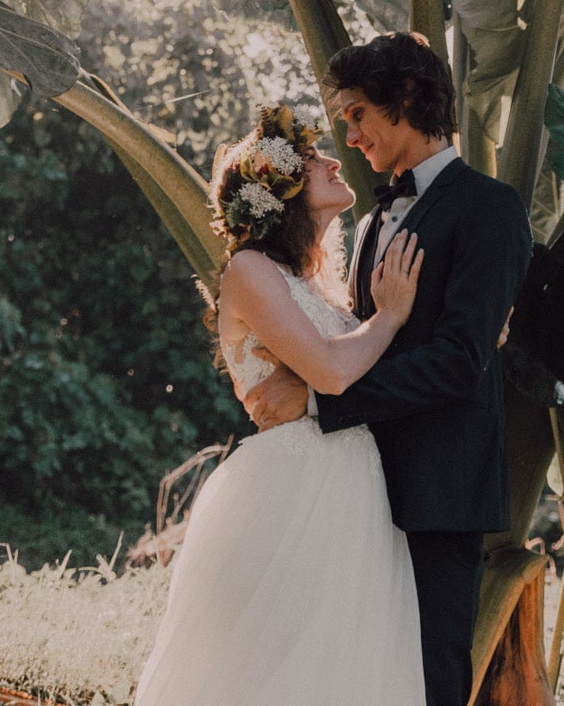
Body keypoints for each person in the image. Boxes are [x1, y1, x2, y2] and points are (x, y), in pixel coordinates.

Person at [246, 32, 533, 706]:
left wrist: (322, 403)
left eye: (356, 114)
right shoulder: (375, 221)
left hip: (440, 492)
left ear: (405, 99)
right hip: (360, 490)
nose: (349, 135)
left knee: (431, 683)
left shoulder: (490, 208)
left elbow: (462, 360)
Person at [134, 100, 426, 706]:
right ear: (283, 190)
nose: (331, 161)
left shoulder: (316, 283)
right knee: (271, 671)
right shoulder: (248, 269)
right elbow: (334, 370)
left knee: (341, 667)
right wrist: (393, 315)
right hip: (293, 489)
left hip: (356, 490)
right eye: (313, 159)